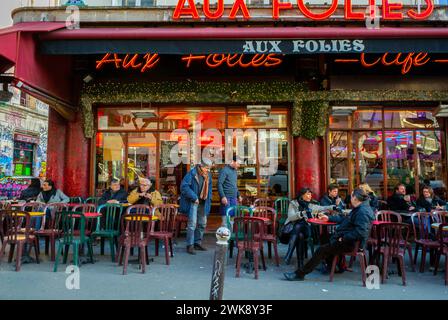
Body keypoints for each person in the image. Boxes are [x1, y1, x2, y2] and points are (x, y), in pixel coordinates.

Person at [283, 188, 375, 281]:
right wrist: (328, 218)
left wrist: (343, 238)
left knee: (321, 250)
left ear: (355, 198)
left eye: (351, 196)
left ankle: (300, 274)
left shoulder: (362, 212)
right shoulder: (361, 208)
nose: (349, 198)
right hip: (349, 240)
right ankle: (332, 265)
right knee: (324, 237)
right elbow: (345, 219)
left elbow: (361, 232)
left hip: (350, 243)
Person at [282, 187, 334, 265]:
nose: (310, 196)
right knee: (300, 235)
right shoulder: (293, 203)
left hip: (307, 229)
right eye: (308, 194)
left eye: (310, 194)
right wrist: (301, 213)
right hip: (292, 230)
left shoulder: (310, 205)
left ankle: (289, 254)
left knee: (299, 226)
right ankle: (300, 263)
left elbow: (322, 208)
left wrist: (333, 207)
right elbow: (291, 217)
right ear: (302, 195)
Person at [179, 159, 213, 255]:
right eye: (207, 168)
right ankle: (190, 245)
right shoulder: (192, 173)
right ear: (201, 166)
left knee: (202, 223)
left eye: (209, 168)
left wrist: (209, 198)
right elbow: (184, 187)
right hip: (193, 202)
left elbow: (209, 188)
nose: (208, 170)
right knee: (192, 224)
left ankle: (197, 243)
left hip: (203, 201)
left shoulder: (208, 175)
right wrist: (194, 197)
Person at [218, 155, 242, 226]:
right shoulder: (224, 170)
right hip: (226, 198)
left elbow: (234, 185)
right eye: (238, 163)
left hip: (234, 198)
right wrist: (222, 196)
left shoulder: (234, 171)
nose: (239, 165)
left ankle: (230, 236)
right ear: (233, 162)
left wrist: (238, 195)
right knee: (225, 220)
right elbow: (219, 184)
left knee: (232, 219)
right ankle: (224, 236)